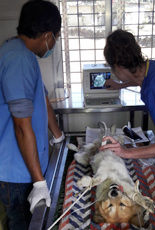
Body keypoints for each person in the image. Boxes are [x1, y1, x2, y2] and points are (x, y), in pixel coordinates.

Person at [0, 0, 65, 229]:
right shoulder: (17, 59)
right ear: (47, 36)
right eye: (56, 38)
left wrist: (58, 136)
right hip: (17, 170)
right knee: (26, 223)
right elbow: (20, 125)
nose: (54, 43)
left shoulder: (25, 54)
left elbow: (43, 99)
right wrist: (39, 182)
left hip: (29, 162)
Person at [99, 29, 155, 188]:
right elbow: (138, 78)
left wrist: (126, 152)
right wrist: (121, 85)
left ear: (117, 67)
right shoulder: (153, 67)